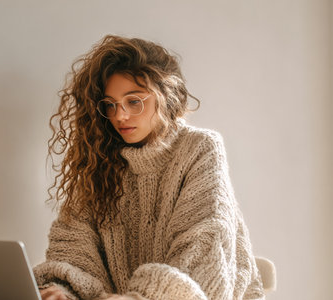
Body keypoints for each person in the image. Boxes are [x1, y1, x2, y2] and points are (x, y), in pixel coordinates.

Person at [34, 35, 265, 300]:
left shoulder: (199, 148)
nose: (119, 116)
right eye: (110, 105)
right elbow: (72, 249)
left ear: (166, 96)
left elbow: (201, 252)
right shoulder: (99, 162)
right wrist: (64, 292)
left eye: (134, 101)